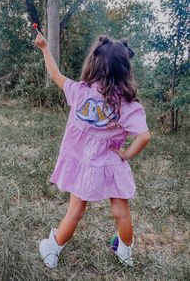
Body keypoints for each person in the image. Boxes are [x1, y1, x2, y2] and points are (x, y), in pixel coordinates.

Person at [34, 31, 151, 268]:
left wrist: (45, 47)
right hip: (111, 164)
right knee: (121, 211)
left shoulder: (80, 92)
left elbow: (55, 74)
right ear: (124, 69)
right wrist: (127, 154)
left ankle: (53, 249)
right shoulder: (128, 105)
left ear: (93, 64)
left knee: (75, 211)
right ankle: (125, 252)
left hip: (85, 166)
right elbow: (144, 136)